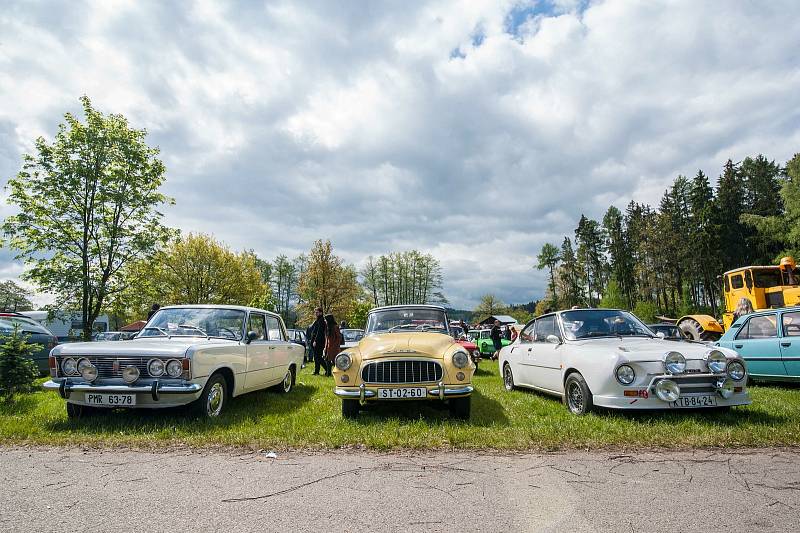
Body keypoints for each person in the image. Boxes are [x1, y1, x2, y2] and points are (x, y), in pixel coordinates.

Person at [310, 307, 327, 375]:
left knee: (318, 357)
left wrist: (315, 341)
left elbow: (319, 332)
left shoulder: (321, 320)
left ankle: (327, 369)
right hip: (316, 341)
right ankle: (317, 371)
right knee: (316, 357)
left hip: (319, 342)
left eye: (317, 312)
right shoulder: (318, 320)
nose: (315, 314)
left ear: (321, 313)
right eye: (315, 312)